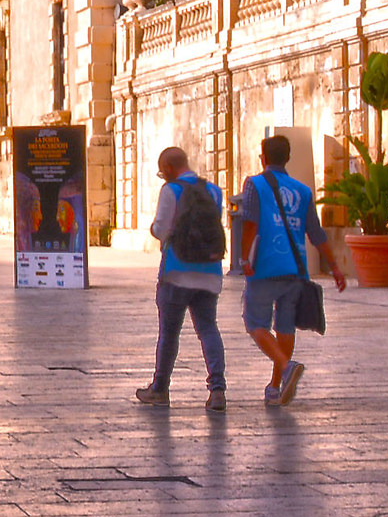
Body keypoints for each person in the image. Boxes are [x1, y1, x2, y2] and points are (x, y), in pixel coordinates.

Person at [234, 133, 346, 405]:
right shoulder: (303, 190)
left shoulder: (255, 184)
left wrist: (244, 259)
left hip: (264, 266)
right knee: (285, 327)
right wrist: (334, 267)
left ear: (263, 158)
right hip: (296, 267)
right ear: (288, 158)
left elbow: (249, 223)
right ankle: (275, 387)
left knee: (255, 323)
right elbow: (316, 234)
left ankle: (286, 367)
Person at [136, 146, 229, 411]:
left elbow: (162, 230)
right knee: (208, 328)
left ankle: (160, 388)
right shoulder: (214, 190)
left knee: (169, 332)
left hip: (177, 272)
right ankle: (217, 390)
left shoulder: (170, 190)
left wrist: (155, 229)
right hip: (209, 272)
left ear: (166, 168)